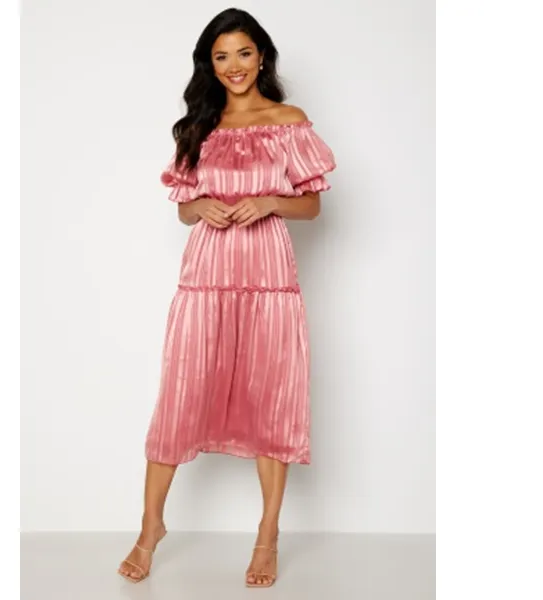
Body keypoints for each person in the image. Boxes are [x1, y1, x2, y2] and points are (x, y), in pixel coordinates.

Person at [117, 8, 336, 588]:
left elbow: (313, 203)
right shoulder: (201, 125)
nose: (233, 65)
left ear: (262, 57)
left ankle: (267, 536)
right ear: (208, 65)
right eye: (221, 56)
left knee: (273, 397)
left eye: (243, 53)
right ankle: (150, 528)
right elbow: (184, 208)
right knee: (181, 394)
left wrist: (270, 202)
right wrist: (199, 207)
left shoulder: (287, 121)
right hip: (207, 277)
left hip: (268, 278)